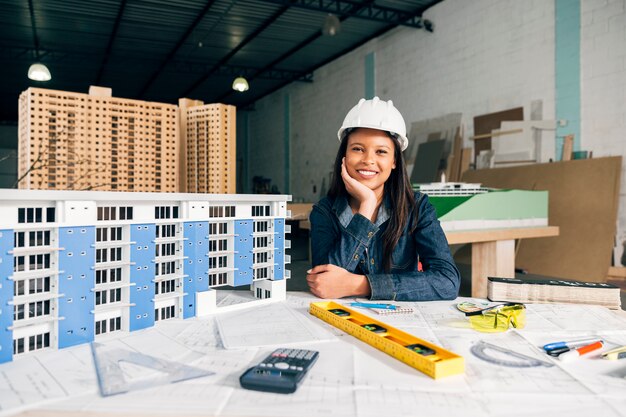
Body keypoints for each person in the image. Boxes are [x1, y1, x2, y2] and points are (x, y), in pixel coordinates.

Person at [306, 97, 460, 301]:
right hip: (342, 318)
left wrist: (361, 285)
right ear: (344, 155)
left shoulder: (417, 207)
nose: (368, 160)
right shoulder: (324, 212)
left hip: (404, 320)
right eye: (358, 149)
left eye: (381, 151)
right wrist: (366, 206)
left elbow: (447, 282)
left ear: (394, 161)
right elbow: (326, 284)